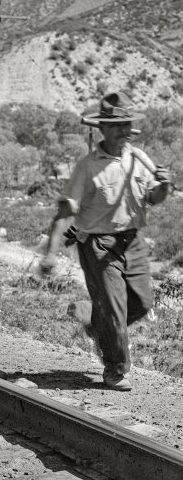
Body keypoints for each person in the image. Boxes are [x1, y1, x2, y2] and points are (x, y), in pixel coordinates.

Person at [41, 91, 171, 391]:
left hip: (133, 241)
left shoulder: (139, 158)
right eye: (116, 124)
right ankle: (116, 367)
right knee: (114, 309)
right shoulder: (87, 166)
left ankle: (93, 318)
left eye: (127, 123)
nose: (124, 129)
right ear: (102, 129)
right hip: (98, 244)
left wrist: (164, 185)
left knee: (141, 303)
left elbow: (154, 197)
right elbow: (65, 211)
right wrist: (51, 252)